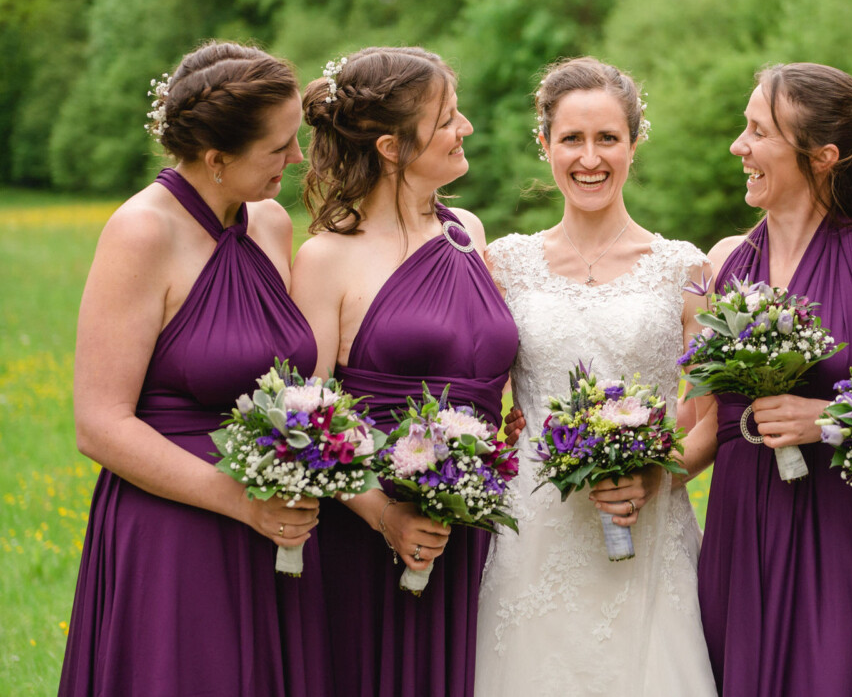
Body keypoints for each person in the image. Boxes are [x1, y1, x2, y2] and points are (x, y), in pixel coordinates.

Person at [60, 41, 331, 696]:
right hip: (174, 530)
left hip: (274, 522)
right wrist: (240, 502)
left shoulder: (267, 223)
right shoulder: (142, 232)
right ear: (216, 159)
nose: (295, 160)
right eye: (278, 148)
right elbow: (99, 424)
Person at [474, 56, 718, 696]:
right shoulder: (505, 265)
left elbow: (712, 417)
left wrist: (657, 474)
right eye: (572, 139)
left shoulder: (684, 271)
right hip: (533, 526)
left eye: (608, 138)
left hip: (648, 525)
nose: (590, 158)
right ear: (545, 144)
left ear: (635, 143)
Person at [291, 46, 518, 697]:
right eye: (448, 117)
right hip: (370, 533)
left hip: (470, 521)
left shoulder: (466, 231)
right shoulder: (326, 259)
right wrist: (386, 515)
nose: (465, 127)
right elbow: (305, 414)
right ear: (392, 146)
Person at [686, 63, 852, 695]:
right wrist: (630, 468)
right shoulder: (724, 261)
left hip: (838, 523)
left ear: (821, 156)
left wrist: (831, 420)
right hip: (738, 524)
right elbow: (700, 416)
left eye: (758, 131)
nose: (739, 146)